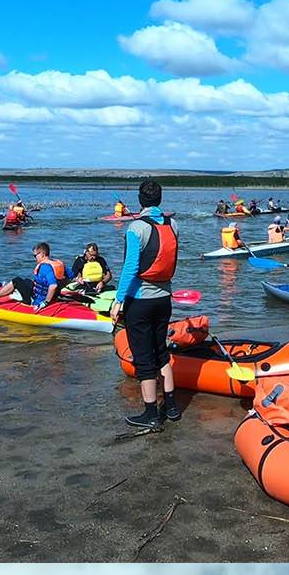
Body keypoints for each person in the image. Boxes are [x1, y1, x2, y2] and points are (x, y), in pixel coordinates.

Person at [115, 179, 182, 431]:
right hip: (164, 299)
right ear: (160, 199)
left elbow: (130, 267)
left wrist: (119, 299)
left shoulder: (135, 228)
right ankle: (172, 406)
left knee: (144, 359)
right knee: (161, 351)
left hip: (140, 301)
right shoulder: (173, 224)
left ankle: (151, 414)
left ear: (140, 200)